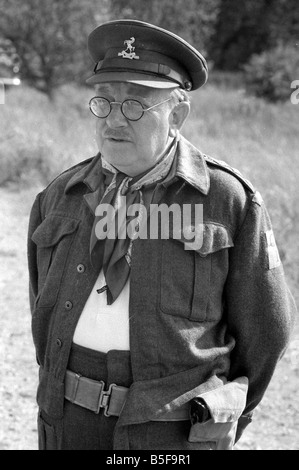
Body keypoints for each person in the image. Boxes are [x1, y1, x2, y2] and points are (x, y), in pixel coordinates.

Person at [27, 19, 297, 451]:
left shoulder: (228, 199)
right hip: (66, 425)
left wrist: (225, 414)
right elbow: (43, 308)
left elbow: (268, 332)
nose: (114, 120)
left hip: (170, 435)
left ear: (178, 113)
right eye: (104, 101)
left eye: (135, 105)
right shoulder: (60, 195)